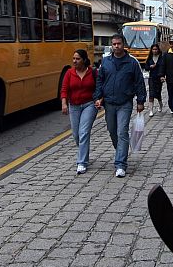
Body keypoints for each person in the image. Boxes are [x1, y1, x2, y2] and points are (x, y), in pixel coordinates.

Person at [93, 33, 147, 177]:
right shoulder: (105, 62)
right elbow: (100, 80)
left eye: (119, 44)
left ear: (124, 45)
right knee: (112, 131)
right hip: (109, 103)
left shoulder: (132, 63)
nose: (116, 46)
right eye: (114, 44)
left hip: (125, 102)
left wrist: (141, 101)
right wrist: (98, 97)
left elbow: (139, 83)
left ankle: (120, 164)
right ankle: (121, 151)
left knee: (122, 131)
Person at [61, 49, 98, 175]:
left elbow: (99, 87)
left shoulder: (93, 72)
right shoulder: (69, 73)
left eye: (77, 59)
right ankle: (84, 153)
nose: (74, 61)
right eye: (73, 58)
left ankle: (81, 162)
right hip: (74, 106)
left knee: (84, 132)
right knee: (76, 134)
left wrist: (99, 100)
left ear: (84, 60)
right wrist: (64, 103)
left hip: (89, 105)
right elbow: (64, 89)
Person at [143, 43, 166, 117]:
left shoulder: (162, 58)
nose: (154, 51)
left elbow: (164, 67)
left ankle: (160, 105)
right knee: (151, 94)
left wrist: (162, 76)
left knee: (158, 93)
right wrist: (150, 66)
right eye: (153, 49)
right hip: (152, 78)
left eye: (156, 49)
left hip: (159, 78)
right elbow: (146, 67)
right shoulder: (149, 58)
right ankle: (151, 110)